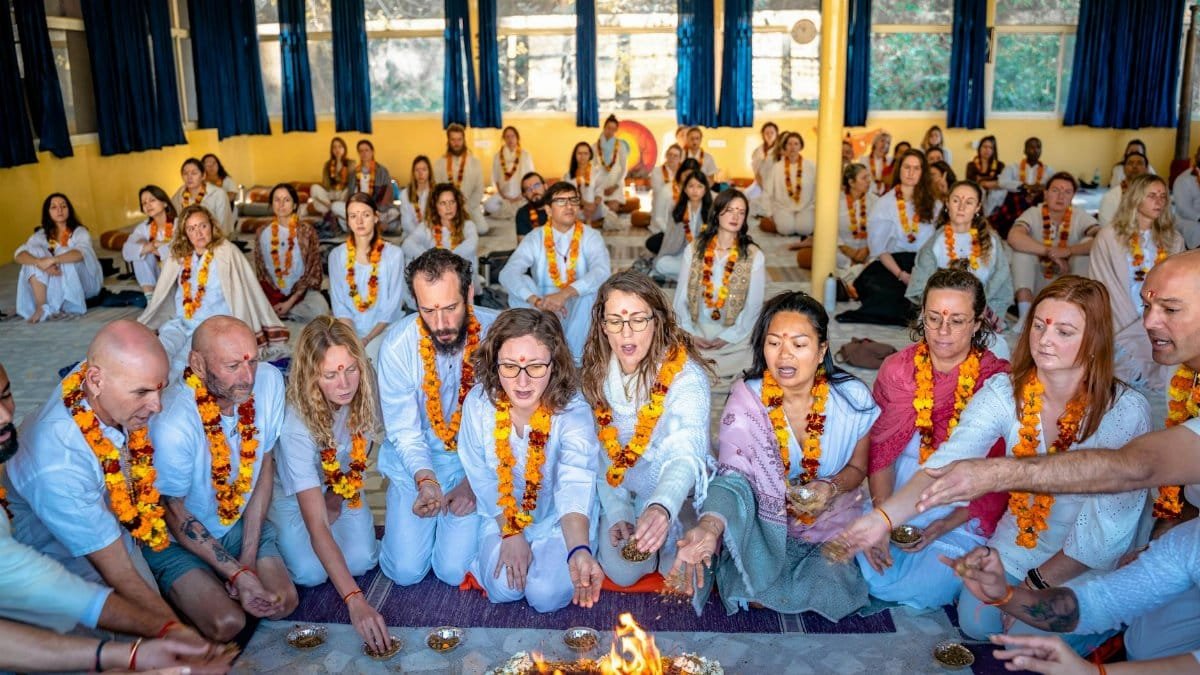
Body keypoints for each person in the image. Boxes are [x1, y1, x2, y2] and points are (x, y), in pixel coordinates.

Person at [837, 276, 1151, 655]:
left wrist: (1032, 586)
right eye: (1038, 326)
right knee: (977, 621)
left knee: (1031, 632)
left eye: (1065, 332)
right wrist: (881, 520)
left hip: (1085, 557)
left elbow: (1106, 536)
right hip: (1018, 539)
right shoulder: (1006, 391)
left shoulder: (1125, 411)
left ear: (1094, 340)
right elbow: (948, 463)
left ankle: (1118, 620)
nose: (1045, 340)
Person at [669, 291, 877, 619]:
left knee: (832, 582)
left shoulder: (851, 398)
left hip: (830, 522)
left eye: (799, 343)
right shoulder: (748, 399)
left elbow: (858, 467)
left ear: (822, 348)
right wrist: (709, 527)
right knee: (752, 587)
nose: (784, 356)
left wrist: (829, 488)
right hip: (763, 528)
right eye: (774, 342)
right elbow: (732, 481)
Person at [1, 322, 211, 645]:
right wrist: (179, 637)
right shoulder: (59, 461)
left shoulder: (105, 378)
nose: (157, 406)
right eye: (142, 392)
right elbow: (117, 572)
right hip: (64, 557)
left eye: (160, 388)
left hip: (114, 520)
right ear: (95, 380)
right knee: (136, 645)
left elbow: (167, 336)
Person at [856, 269, 1010, 609]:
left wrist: (942, 526)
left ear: (978, 324)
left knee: (933, 586)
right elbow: (881, 453)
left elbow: (1000, 472)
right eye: (934, 318)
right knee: (857, 556)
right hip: (897, 496)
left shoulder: (996, 380)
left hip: (961, 510)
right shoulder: (897, 369)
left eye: (956, 320)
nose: (942, 331)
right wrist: (884, 518)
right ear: (920, 315)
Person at [146, 316, 298, 642]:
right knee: (227, 623)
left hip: (234, 525)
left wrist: (247, 553)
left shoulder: (269, 382)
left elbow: (264, 463)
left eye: (253, 362)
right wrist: (239, 574)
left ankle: (220, 583)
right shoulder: (173, 421)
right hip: (174, 539)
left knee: (284, 602)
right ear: (197, 364)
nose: (248, 378)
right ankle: (188, 586)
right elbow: (173, 513)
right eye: (232, 366)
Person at [458, 309, 605, 612]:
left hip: (558, 519)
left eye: (536, 366)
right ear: (494, 363)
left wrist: (578, 549)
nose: (522, 381)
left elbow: (574, 481)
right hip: (501, 515)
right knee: (504, 589)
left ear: (555, 365)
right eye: (510, 366)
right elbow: (481, 475)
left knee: (545, 595)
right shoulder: (478, 404)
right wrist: (510, 532)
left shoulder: (572, 411)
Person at [580, 270, 714, 586]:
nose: (626, 333)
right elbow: (603, 459)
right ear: (603, 326)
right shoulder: (595, 377)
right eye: (615, 320)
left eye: (638, 319)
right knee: (623, 573)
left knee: (682, 577)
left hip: (677, 498)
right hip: (627, 494)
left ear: (657, 321)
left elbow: (686, 453)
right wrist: (618, 512)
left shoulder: (686, 378)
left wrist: (662, 506)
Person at [375, 249, 499, 587]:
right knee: (405, 571)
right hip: (417, 465)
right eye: (428, 310)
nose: (441, 324)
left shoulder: (497, 336)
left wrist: (474, 482)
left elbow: (506, 421)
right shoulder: (398, 346)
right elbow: (404, 432)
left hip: (476, 464)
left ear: (469, 294)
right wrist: (426, 481)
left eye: (450, 308)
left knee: (452, 571)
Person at [269, 317, 388, 652]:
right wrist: (355, 601)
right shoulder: (297, 426)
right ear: (312, 376)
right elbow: (317, 523)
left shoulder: (365, 388)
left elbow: (363, 446)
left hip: (342, 483)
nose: (345, 383)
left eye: (351, 369)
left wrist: (337, 495)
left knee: (363, 559)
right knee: (309, 573)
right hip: (296, 493)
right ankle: (270, 538)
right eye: (331, 374)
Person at [947, 530, 1200, 670]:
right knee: (1145, 646)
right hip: (1145, 654)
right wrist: (1006, 596)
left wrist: (1096, 673)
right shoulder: (1188, 542)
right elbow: (1096, 605)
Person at [139, 205, 287, 380]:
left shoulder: (227, 252)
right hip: (180, 322)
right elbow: (164, 291)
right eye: (191, 228)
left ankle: (175, 397)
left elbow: (245, 290)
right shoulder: (179, 254)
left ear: (211, 226)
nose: (198, 233)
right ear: (185, 233)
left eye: (203, 226)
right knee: (160, 351)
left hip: (212, 327)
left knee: (184, 362)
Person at [1089, 174, 1184, 390]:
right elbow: (1104, 285)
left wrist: (1160, 317)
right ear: (1135, 198)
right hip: (1121, 315)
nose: (1159, 201)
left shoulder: (1173, 238)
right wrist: (1137, 325)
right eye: (1152, 196)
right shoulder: (1109, 237)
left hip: (1161, 313)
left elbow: (1179, 288)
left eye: (1162, 196)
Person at [500, 181, 612, 360]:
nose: (569, 205)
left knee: (592, 292)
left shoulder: (591, 235)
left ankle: (573, 358)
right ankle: (538, 345)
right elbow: (508, 273)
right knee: (521, 287)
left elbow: (602, 270)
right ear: (548, 209)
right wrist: (536, 301)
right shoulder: (535, 237)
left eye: (573, 200)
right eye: (561, 201)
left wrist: (565, 294)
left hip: (577, 309)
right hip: (541, 309)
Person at [673, 188, 765, 389]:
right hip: (696, 328)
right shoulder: (695, 249)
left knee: (754, 350)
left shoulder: (753, 255)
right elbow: (680, 299)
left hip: (734, 336)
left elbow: (753, 307)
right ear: (717, 213)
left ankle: (702, 367)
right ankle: (701, 363)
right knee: (670, 343)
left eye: (741, 212)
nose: (735, 216)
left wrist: (727, 337)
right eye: (730, 210)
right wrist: (690, 333)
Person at [837, 149, 939, 326]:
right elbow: (880, 250)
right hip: (894, 265)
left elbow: (939, 244)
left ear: (923, 173)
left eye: (916, 168)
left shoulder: (935, 204)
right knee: (877, 288)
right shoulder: (884, 204)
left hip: (924, 264)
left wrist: (921, 272)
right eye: (907, 167)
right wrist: (902, 275)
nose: (911, 173)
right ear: (899, 170)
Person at [906, 180, 1013, 348]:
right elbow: (922, 284)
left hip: (983, 308)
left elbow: (1001, 279)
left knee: (990, 346)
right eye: (956, 200)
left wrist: (976, 305)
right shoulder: (935, 242)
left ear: (977, 207)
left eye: (969, 202)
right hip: (945, 311)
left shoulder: (991, 240)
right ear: (947, 203)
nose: (961, 207)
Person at [1008, 172, 1098, 324]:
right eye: (1056, 190)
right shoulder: (1034, 212)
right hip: (1036, 279)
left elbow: (1102, 238)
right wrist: (1049, 252)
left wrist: (1069, 251)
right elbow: (1014, 237)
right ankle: (1025, 319)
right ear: (1046, 193)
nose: (1061, 196)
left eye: (1067, 192)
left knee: (1089, 246)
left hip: (1067, 278)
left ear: (1073, 196)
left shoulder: (1079, 215)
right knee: (1021, 253)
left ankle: (1076, 313)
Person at [328, 193, 407, 360]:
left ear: (376, 217)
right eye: (353, 216)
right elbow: (340, 305)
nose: (359, 221)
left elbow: (392, 308)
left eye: (365, 214)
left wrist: (367, 339)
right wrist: (353, 338)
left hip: (384, 329)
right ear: (347, 221)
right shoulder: (337, 256)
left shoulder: (394, 255)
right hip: (348, 330)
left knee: (372, 360)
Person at [14, 193, 104, 323]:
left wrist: (52, 260)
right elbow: (19, 254)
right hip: (56, 281)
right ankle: (41, 306)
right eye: (54, 207)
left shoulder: (79, 232)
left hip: (86, 283)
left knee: (65, 252)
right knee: (32, 253)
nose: (59, 210)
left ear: (69, 210)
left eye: (63, 206)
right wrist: (39, 262)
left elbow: (79, 254)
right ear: (48, 212)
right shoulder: (42, 235)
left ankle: (71, 303)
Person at [251, 183, 329, 323]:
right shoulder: (262, 232)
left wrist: (290, 301)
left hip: (300, 292)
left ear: (294, 205)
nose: (281, 204)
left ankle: (283, 311)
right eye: (277, 200)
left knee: (321, 311)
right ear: (271, 204)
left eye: (286, 200)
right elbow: (261, 271)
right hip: (273, 291)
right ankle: (277, 310)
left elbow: (313, 270)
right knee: (247, 304)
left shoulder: (306, 231)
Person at [401, 183, 479, 280]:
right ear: (435, 207)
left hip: (461, 278)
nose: (448, 207)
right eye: (443, 203)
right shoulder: (427, 226)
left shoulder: (468, 225)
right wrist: (431, 260)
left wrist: (445, 262)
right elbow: (407, 244)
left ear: (457, 204)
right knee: (409, 258)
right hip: (435, 274)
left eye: (452, 202)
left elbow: (471, 246)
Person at [654, 169, 711, 280]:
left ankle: (689, 275)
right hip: (681, 255)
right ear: (685, 189)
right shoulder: (677, 210)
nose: (695, 190)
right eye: (691, 186)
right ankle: (694, 276)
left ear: (705, 190)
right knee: (661, 264)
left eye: (699, 186)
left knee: (708, 266)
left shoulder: (711, 211)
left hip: (703, 257)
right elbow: (669, 239)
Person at [992, 137, 1053, 239]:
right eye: (1031, 147)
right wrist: (1025, 186)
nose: (1035, 150)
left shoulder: (1048, 170)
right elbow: (1002, 182)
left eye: (1038, 147)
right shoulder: (1013, 167)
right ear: (1024, 150)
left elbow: (1053, 185)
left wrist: (1039, 188)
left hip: (1038, 201)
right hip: (1017, 204)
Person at [333, 139, 399, 232]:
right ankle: (372, 226)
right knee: (335, 206)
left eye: (366, 150)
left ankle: (363, 226)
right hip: (359, 209)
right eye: (361, 151)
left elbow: (388, 193)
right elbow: (350, 196)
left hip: (377, 209)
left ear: (372, 152)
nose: (364, 153)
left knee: (394, 213)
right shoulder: (354, 173)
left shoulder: (382, 171)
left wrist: (377, 211)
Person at [434, 123, 488, 234]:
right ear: (448, 141)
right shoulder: (439, 164)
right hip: (447, 208)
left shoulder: (475, 162)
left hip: (470, 207)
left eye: (459, 139)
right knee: (443, 231)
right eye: (453, 140)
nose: (456, 143)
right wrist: (450, 207)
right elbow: (437, 190)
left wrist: (466, 208)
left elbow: (479, 189)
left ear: (464, 140)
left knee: (482, 229)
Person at [123, 186, 178, 296]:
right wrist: (153, 245)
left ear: (165, 203)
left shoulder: (179, 223)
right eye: (144, 203)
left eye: (152, 200)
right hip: (158, 275)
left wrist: (158, 247)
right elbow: (127, 252)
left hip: (179, 274)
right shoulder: (143, 227)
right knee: (139, 255)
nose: (148, 205)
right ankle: (150, 298)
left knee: (143, 250)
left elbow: (179, 251)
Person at [765, 131, 816, 237]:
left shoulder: (811, 166)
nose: (792, 147)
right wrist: (769, 212)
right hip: (783, 207)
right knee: (786, 230)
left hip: (806, 207)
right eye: (789, 144)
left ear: (801, 146)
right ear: (785, 147)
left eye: (796, 144)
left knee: (804, 230)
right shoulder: (777, 167)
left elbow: (818, 189)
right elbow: (767, 191)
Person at [834, 163, 878, 282]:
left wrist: (867, 249)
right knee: (828, 254)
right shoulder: (836, 200)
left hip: (868, 251)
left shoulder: (875, 200)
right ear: (851, 182)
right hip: (843, 252)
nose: (869, 181)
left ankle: (859, 270)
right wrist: (848, 251)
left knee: (883, 254)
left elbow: (879, 229)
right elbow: (830, 230)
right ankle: (853, 268)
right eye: (864, 178)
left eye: (869, 177)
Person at [485, 126, 535, 221]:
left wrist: (520, 196)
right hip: (504, 196)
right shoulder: (498, 156)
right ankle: (514, 212)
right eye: (507, 137)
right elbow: (496, 179)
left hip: (521, 196)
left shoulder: (525, 155)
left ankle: (509, 211)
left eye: (512, 136)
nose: (510, 139)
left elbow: (531, 179)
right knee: (488, 205)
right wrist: (504, 196)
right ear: (504, 139)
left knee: (531, 205)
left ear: (517, 138)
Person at [173, 158, 233, 234]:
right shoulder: (180, 193)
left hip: (215, 240)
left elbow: (223, 227)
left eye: (194, 173)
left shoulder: (218, 194)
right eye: (185, 173)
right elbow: (173, 216)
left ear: (203, 176)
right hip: (187, 240)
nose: (189, 177)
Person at [1098, 152, 1150, 227]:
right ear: (1124, 169)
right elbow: (1105, 226)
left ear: (1146, 169)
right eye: (1130, 163)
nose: (1134, 166)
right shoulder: (1110, 197)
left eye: (1139, 163)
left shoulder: (1155, 195)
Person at [308, 136, 353, 220]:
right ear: (332, 150)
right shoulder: (327, 164)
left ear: (344, 148)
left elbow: (352, 183)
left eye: (340, 146)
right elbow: (325, 184)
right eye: (334, 147)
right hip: (331, 193)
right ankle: (331, 209)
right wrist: (329, 197)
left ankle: (335, 210)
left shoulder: (351, 163)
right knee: (314, 188)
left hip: (344, 193)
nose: (337, 149)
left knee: (353, 189)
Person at [595, 114, 629, 223]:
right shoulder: (594, 147)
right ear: (604, 128)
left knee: (611, 209)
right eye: (609, 128)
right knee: (599, 212)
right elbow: (592, 170)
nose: (611, 131)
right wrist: (598, 188)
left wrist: (615, 186)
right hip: (599, 187)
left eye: (614, 129)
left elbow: (624, 169)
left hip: (615, 186)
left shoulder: (621, 146)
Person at [565, 141, 605, 225]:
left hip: (595, 207)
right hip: (576, 208)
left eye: (585, 153)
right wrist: (586, 204)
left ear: (590, 155)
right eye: (579, 153)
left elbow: (599, 191)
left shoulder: (597, 172)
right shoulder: (568, 175)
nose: (582, 156)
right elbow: (571, 195)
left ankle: (591, 222)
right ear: (575, 155)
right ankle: (588, 223)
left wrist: (594, 205)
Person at [965, 135, 1005, 216]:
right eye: (985, 147)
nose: (987, 150)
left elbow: (1002, 183)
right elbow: (970, 183)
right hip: (977, 198)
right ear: (979, 148)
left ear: (994, 150)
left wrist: (984, 183)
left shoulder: (1000, 165)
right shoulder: (971, 165)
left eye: (990, 147)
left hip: (995, 201)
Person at [1170, 143, 1200, 248]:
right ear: (1196, 157)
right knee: (1197, 230)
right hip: (1188, 220)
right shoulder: (1183, 179)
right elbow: (1183, 209)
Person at [651, 144, 685, 231]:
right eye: (670, 154)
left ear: (680, 158)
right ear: (666, 155)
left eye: (675, 156)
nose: (672, 158)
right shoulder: (657, 171)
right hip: (663, 206)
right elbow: (660, 192)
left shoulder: (683, 172)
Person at [398, 155, 433, 237]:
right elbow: (406, 223)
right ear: (413, 173)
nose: (420, 173)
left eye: (424, 169)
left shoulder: (436, 193)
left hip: (432, 236)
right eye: (417, 170)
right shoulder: (405, 194)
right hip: (411, 236)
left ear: (429, 172)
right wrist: (419, 236)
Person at [748, 122, 779, 211]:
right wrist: (764, 188)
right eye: (767, 133)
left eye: (772, 133)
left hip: (776, 186)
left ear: (776, 134)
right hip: (760, 184)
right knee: (749, 198)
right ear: (763, 135)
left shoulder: (781, 151)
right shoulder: (757, 151)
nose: (769, 135)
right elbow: (756, 172)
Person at [515, 172, 548, 239]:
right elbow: (523, 246)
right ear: (524, 195)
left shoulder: (559, 206)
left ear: (545, 186)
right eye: (528, 189)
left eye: (537, 185)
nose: (533, 191)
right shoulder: (522, 213)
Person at [861, 131, 893, 196]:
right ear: (875, 143)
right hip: (868, 194)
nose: (885, 144)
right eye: (882, 141)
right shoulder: (863, 160)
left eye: (888, 143)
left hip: (886, 195)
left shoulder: (890, 160)